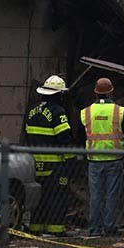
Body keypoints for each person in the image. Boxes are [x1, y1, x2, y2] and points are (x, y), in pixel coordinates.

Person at [79, 77, 124, 236]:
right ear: (111, 93)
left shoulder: (86, 112)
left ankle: (95, 228)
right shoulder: (120, 111)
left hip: (94, 160)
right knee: (112, 195)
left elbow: (81, 134)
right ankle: (110, 227)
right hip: (114, 158)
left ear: (95, 94)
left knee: (95, 196)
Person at [23, 75, 73, 235]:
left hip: (34, 164)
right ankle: (56, 229)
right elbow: (64, 138)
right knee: (57, 198)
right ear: (59, 94)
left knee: (39, 199)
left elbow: (27, 135)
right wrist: (72, 161)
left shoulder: (31, 111)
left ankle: (36, 228)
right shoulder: (58, 112)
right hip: (54, 165)